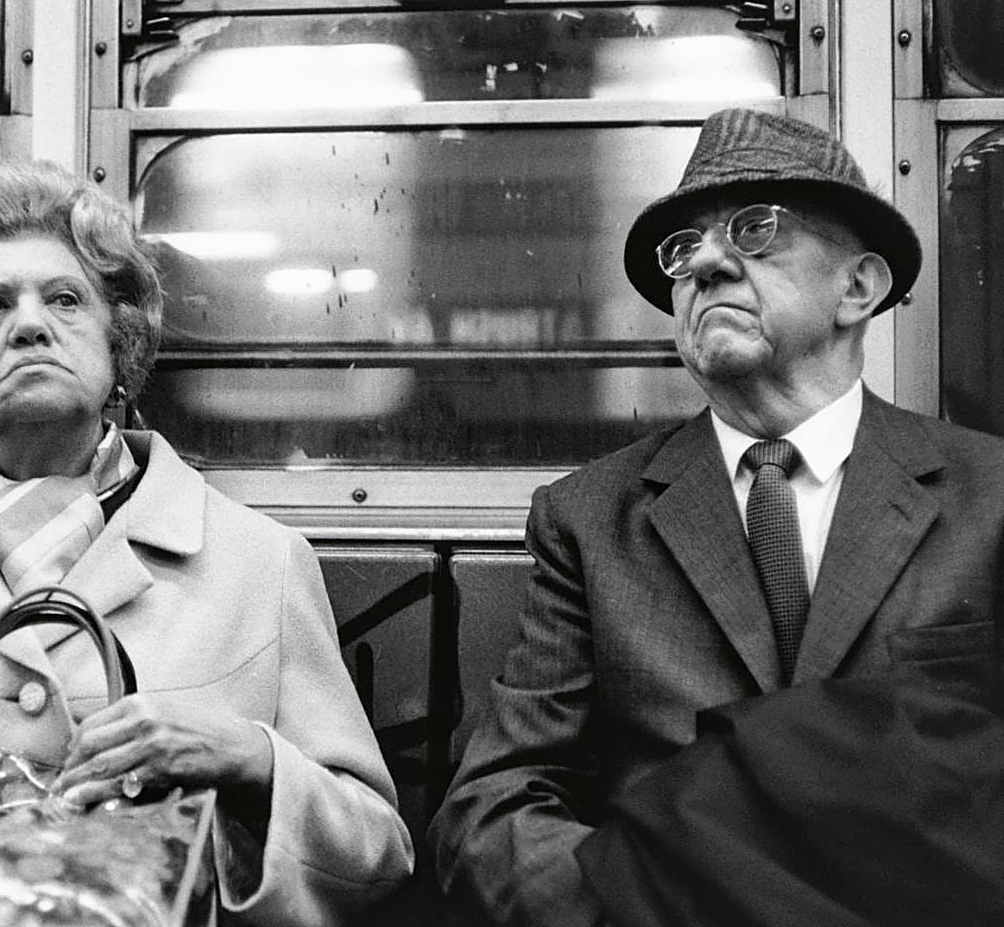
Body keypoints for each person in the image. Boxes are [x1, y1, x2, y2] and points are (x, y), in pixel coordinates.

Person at [429, 107, 1004, 927]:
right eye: (681, 248)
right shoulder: (590, 519)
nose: (703, 262)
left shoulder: (989, 498)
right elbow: (494, 801)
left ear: (859, 288)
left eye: (753, 228)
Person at [0, 159, 413, 926]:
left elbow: (378, 857)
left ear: (117, 349)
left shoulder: (261, 563)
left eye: (64, 299)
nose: (29, 324)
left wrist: (252, 761)